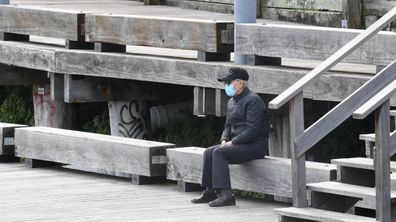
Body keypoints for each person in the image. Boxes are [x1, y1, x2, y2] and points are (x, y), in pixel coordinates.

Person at [191, 67, 269, 207]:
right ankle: (210, 191)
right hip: (238, 144)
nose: (226, 86)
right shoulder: (232, 101)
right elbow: (227, 126)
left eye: (229, 82)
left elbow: (253, 130)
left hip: (255, 146)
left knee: (219, 153)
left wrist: (233, 142)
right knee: (209, 152)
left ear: (240, 83)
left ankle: (226, 195)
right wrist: (224, 139)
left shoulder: (253, 100)